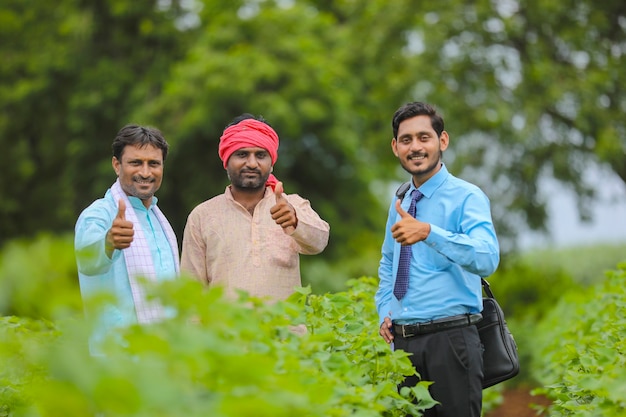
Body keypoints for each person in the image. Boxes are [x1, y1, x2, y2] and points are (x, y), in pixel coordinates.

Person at [375, 102, 500, 417]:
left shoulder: (467, 197)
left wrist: (429, 232)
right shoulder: (401, 200)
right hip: (403, 345)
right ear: (395, 147)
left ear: (442, 141)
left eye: (423, 137)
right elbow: (389, 264)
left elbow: (487, 258)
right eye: (406, 140)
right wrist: (384, 311)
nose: (415, 147)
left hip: (452, 340)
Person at [180, 114, 330, 301]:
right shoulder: (203, 216)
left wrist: (295, 221)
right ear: (226, 161)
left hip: (285, 329)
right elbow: (192, 287)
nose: (251, 163)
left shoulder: (291, 205)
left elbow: (320, 242)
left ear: (271, 163)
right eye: (242, 154)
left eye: (260, 155)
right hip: (224, 329)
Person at [75, 124, 180, 349]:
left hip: (166, 357)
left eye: (153, 163)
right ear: (116, 165)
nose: (145, 172)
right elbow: (86, 260)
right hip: (117, 358)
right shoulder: (99, 214)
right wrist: (108, 242)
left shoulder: (159, 220)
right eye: (135, 162)